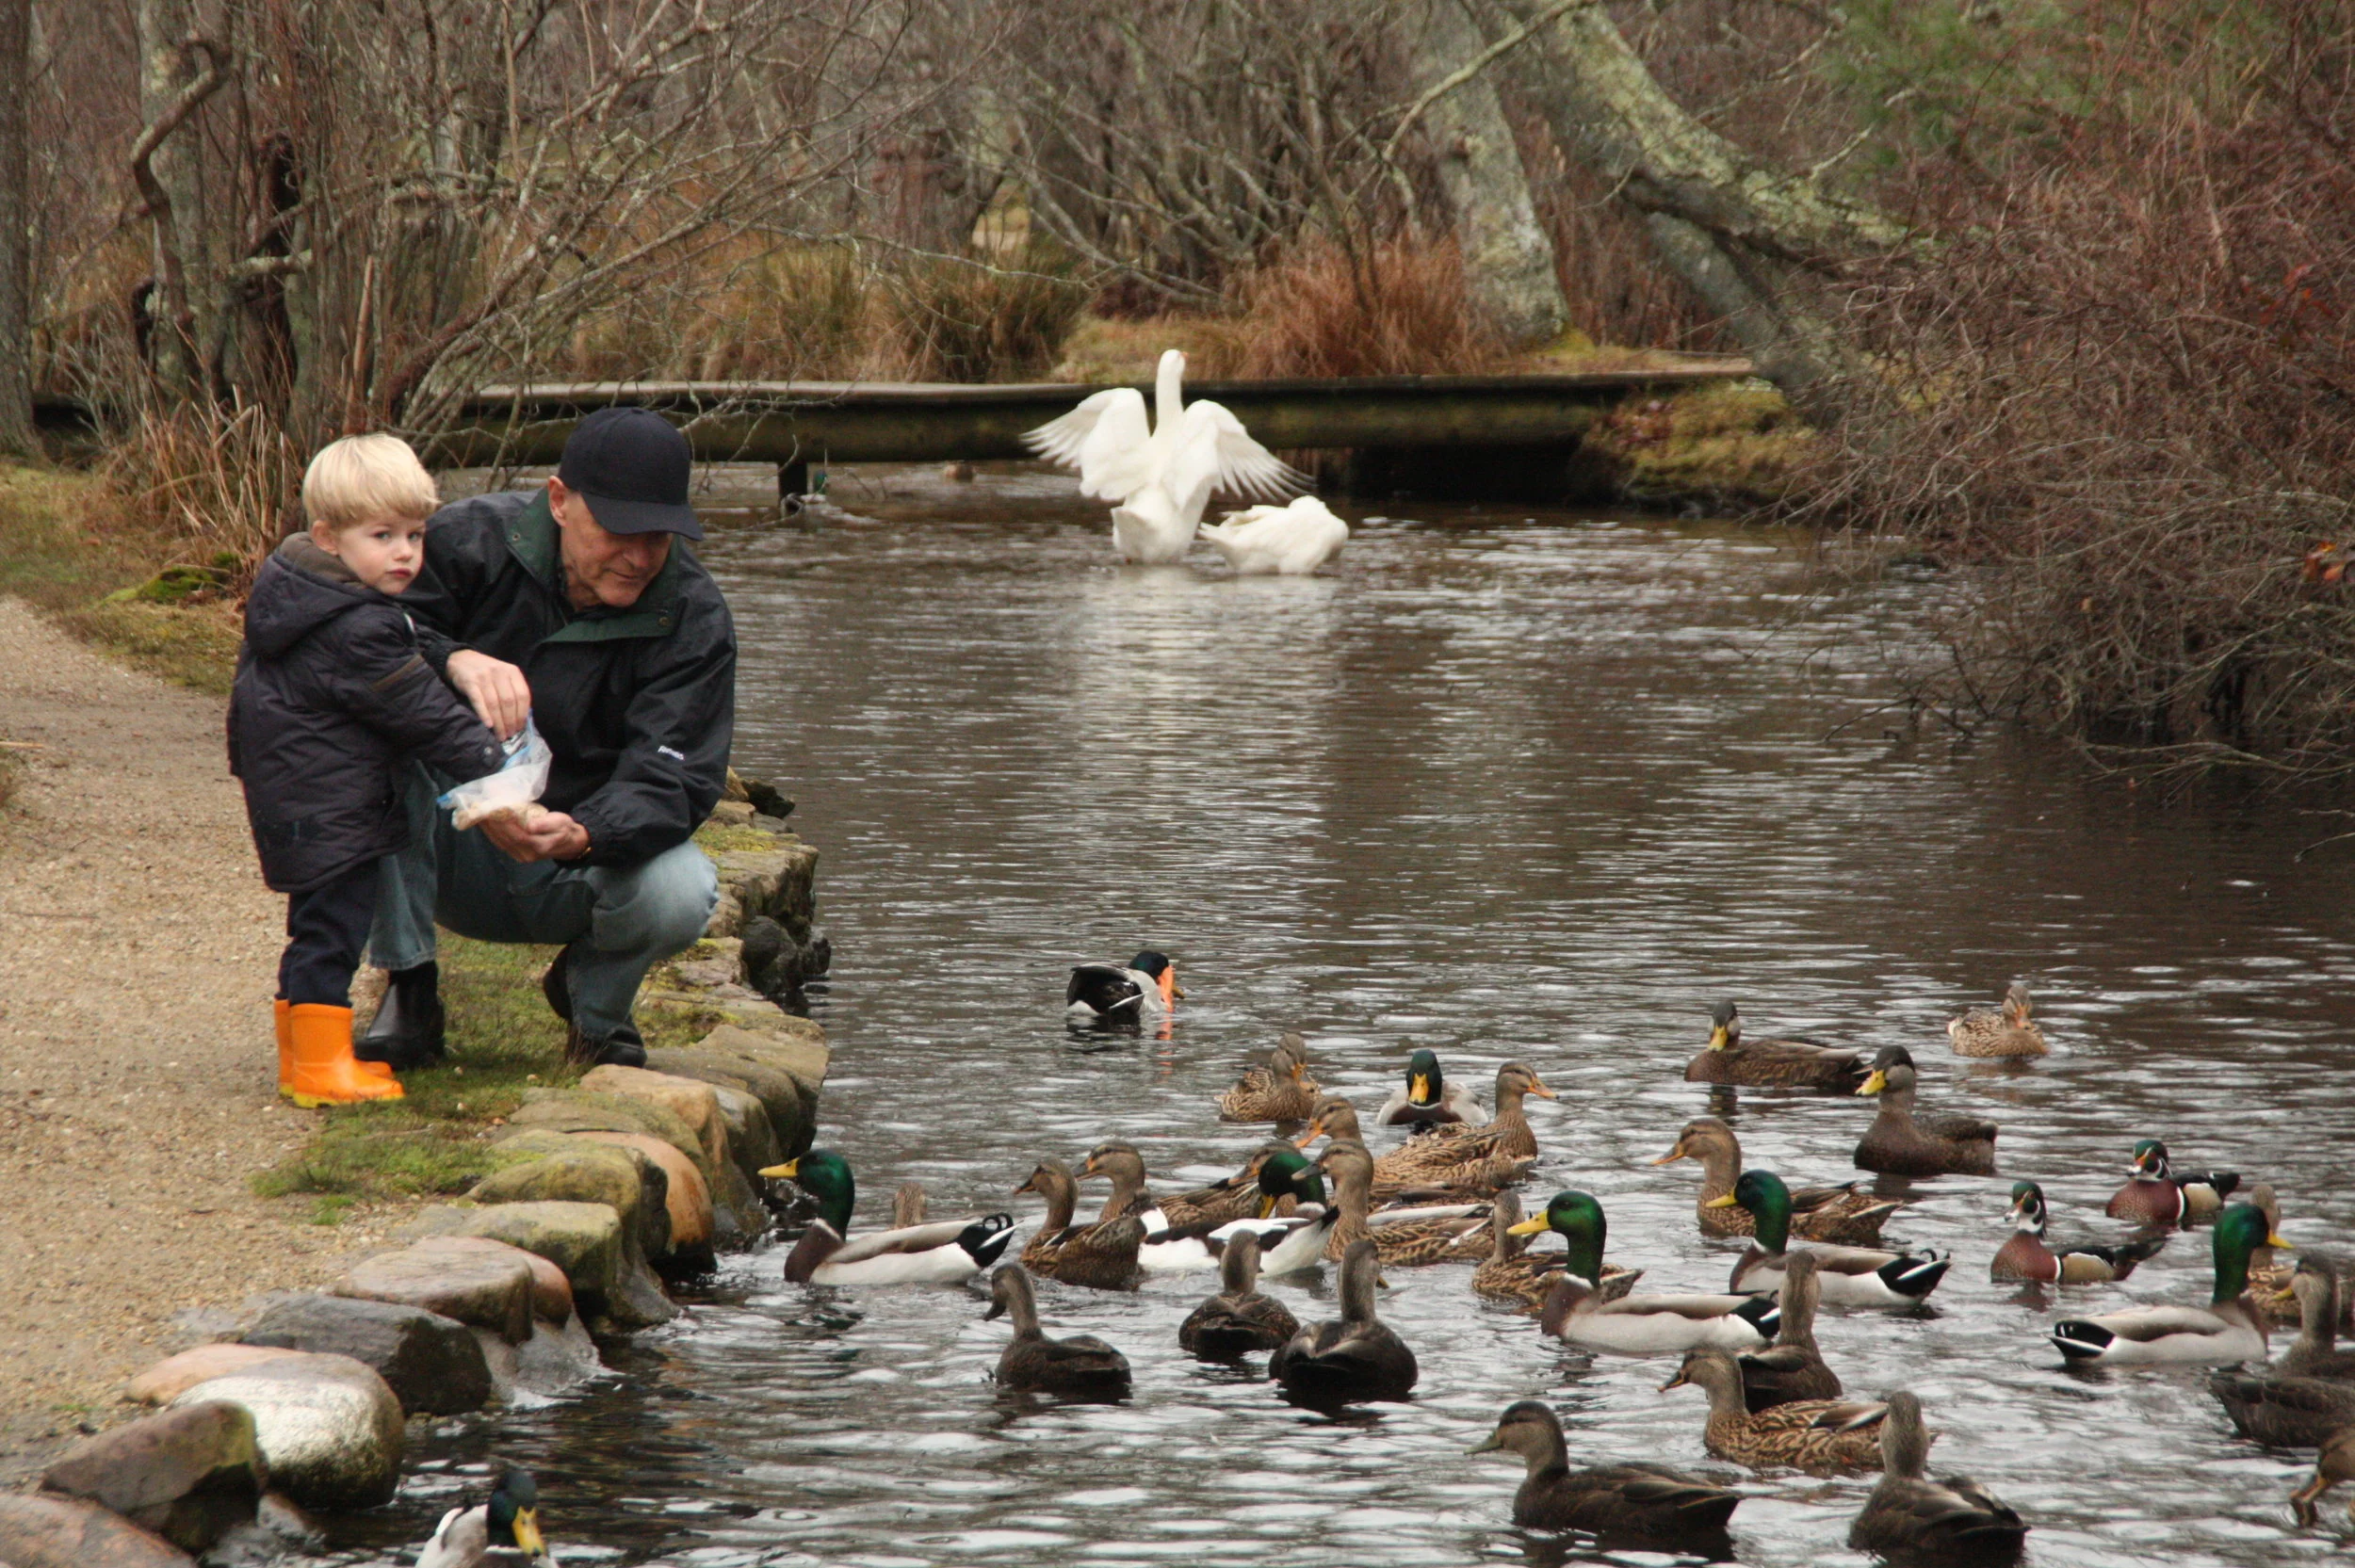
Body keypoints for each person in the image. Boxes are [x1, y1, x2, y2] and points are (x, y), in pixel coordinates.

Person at [364, 407, 735, 1069]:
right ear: (560, 501)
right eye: (621, 530)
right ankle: (410, 989)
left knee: (686, 890)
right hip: (447, 844)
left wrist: (583, 830)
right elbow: (353, 635)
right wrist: (449, 655)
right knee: (368, 745)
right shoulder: (465, 541)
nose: (641, 556)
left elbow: (674, 778)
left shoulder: (695, 616)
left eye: (661, 536)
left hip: (576, 862)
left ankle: (595, 1009)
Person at [228, 434, 508, 1106]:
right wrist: (501, 768)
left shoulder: (303, 598)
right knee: (333, 932)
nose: (406, 553)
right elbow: (424, 715)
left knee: (314, 928)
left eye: (415, 534)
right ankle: (322, 1068)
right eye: (383, 535)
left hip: (299, 793)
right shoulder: (358, 626)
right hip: (336, 801)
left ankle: (302, 1060)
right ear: (328, 537)